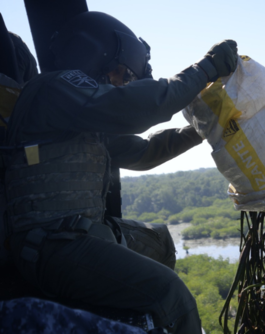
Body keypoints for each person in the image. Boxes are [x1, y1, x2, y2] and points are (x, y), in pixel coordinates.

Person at [4, 11, 237, 333]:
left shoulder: (82, 114)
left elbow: (143, 153)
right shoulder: (53, 90)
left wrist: (199, 130)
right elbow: (140, 110)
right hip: (50, 247)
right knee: (169, 293)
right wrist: (205, 70)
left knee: (159, 240)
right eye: (121, 72)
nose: (122, 82)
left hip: (75, 235)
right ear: (92, 56)